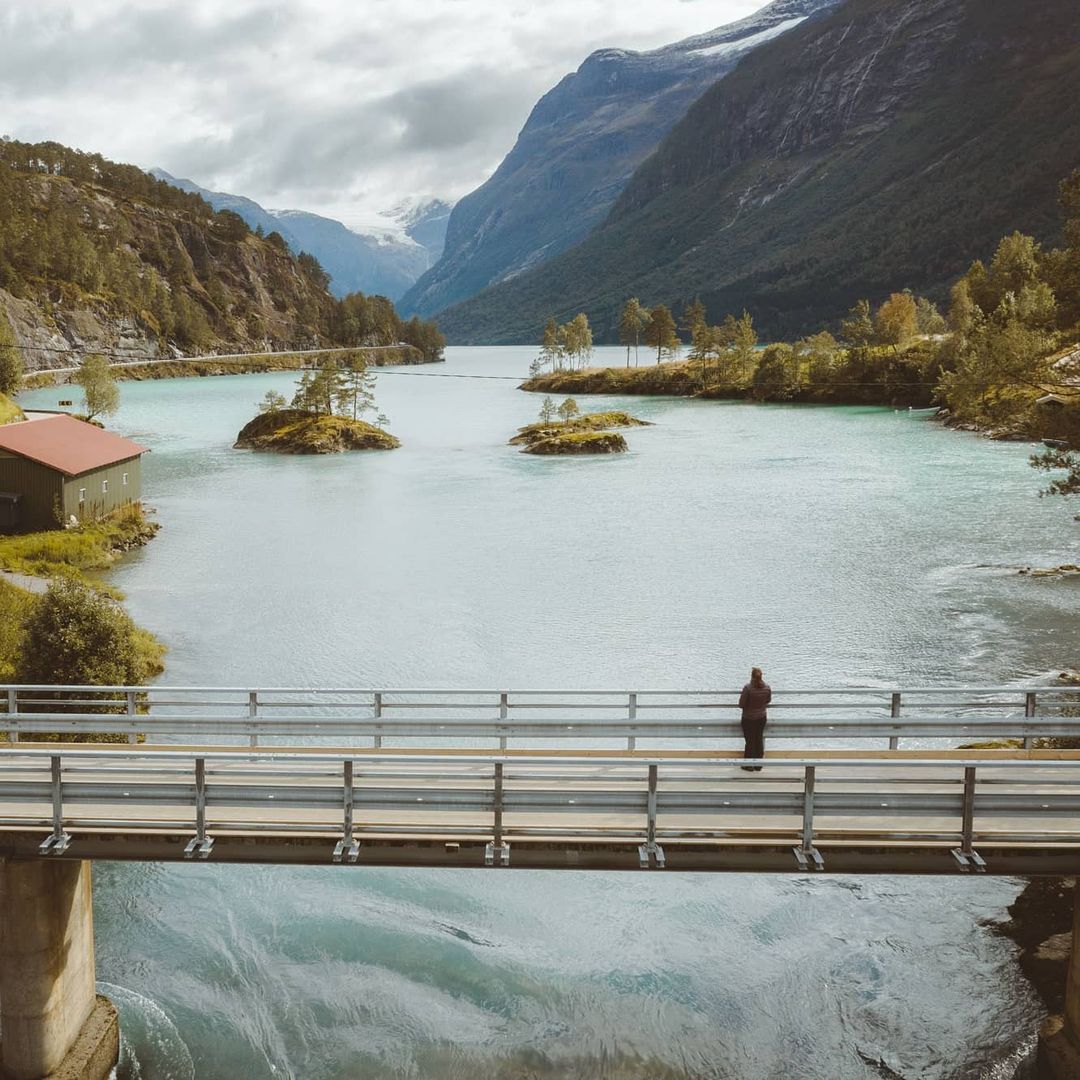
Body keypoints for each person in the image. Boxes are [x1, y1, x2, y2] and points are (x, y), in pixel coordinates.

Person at [739, 667, 771, 771]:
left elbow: (741, 704)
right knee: (758, 739)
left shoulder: (748, 688)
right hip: (761, 717)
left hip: (748, 718)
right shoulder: (767, 688)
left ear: (752, 676)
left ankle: (749, 764)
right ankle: (759, 764)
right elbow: (768, 700)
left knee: (750, 741)